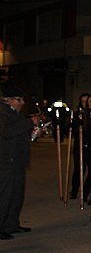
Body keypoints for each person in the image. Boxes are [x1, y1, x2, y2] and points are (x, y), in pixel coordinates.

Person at [0, 86, 35, 240]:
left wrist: (33, 133)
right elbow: (7, 132)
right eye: (19, 100)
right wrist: (29, 122)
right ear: (9, 100)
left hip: (18, 160)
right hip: (7, 161)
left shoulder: (16, 114)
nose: (22, 103)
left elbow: (20, 133)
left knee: (17, 195)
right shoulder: (2, 113)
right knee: (5, 195)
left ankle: (11, 224)